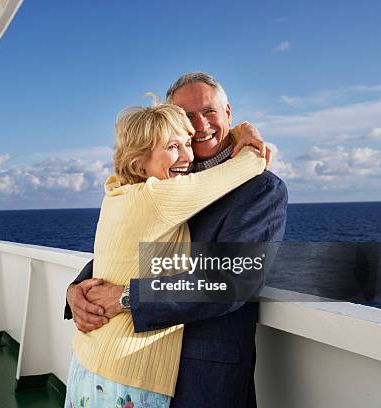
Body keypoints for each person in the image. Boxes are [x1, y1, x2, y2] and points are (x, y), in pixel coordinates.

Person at [66, 72, 288, 407]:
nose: (200, 126)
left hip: (203, 379)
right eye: (186, 117)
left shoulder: (260, 190)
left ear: (229, 113)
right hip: (134, 369)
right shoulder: (166, 180)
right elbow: (127, 246)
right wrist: (77, 289)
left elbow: (231, 280)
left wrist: (127, 297)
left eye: (210, 112)